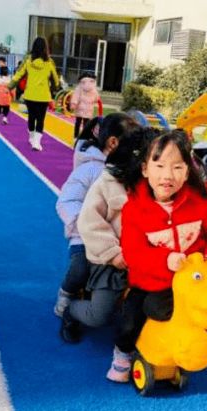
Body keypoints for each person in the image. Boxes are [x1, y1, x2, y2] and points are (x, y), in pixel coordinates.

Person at [106, 130, 207, 382]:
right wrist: (164, 260)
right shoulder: (135, 208)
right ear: (145, 169)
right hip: (152, 281)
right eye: (159, 166)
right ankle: (122, 352)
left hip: (193, 281)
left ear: (187, 172)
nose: (168, 175)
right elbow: (134, 252)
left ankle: (189, 345)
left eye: (177, 167)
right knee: (133, 317)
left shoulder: (202, 200)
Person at [59, 127, 158, 343]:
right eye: (156, 162)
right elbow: (90, 222)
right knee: (99, 316)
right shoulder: (107, 183)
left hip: (145, 260)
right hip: (111, 261)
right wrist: (113, 253)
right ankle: (71, 311)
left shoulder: (159, 187)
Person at [54, 113, 140, 317]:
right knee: (81, 267)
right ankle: (67, 293)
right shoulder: (90, 169)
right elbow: (67, 201)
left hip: (115, 237)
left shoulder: (125, 170)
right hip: (84, 236)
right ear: (113, 143)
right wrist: (84, 225)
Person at [8, 37, 59, 151]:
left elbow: (18, 75)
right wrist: (56, 88)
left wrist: (10, 86)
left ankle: (31, 137)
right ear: (45, 48)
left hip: (30, 95)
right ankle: (36, 142)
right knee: (40, 119)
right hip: (43, 96)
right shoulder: (50, 62)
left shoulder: (28, 61)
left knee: (31, 117)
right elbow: (55, 79)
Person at [70, 72, 100, 140]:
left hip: (80, 108)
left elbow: (76, 96)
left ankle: (75, 137)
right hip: (89, 108)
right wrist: (93, 101)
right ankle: (84, 137)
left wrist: (73, 104)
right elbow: (96, 98)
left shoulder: (80, 86)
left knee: (78, 123)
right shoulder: (93, 87)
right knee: (86, 124)